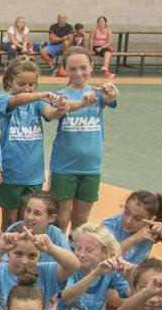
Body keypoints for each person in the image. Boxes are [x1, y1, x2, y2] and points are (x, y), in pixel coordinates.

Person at [44, 47, 120, 231]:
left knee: (80, 220)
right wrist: (81, 103)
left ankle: (76, 256)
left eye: (83, 67)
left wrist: (111, 95)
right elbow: (54, 112)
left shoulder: (99, 94)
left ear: (92, 67)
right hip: (64, 166)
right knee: (60, 219)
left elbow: (111, 100)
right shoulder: (60, 95)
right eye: (72, 69)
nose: (78, 73)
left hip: (91, 166)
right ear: (65, 70)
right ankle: (56, 256)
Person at [0, 57, 57, 229]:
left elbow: (50, 114)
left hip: (33, 175)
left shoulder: (37, 104)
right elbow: (17, 100)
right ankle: (5, 252)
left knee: (29, 220)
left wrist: (60, 109)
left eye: (31, 84)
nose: (27, 89)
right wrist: (41, 94)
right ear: (9, 82)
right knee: (9, 220)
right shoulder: (3, 100)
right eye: (21, 83)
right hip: (10, 173)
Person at [102, 190, 162, 267]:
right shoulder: (110, 225)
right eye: (126, 212)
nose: (128, 221)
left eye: (138, 218)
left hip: (132, 279)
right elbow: (104, 257)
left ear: (151, 219)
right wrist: (135, 238)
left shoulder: (151, 229)